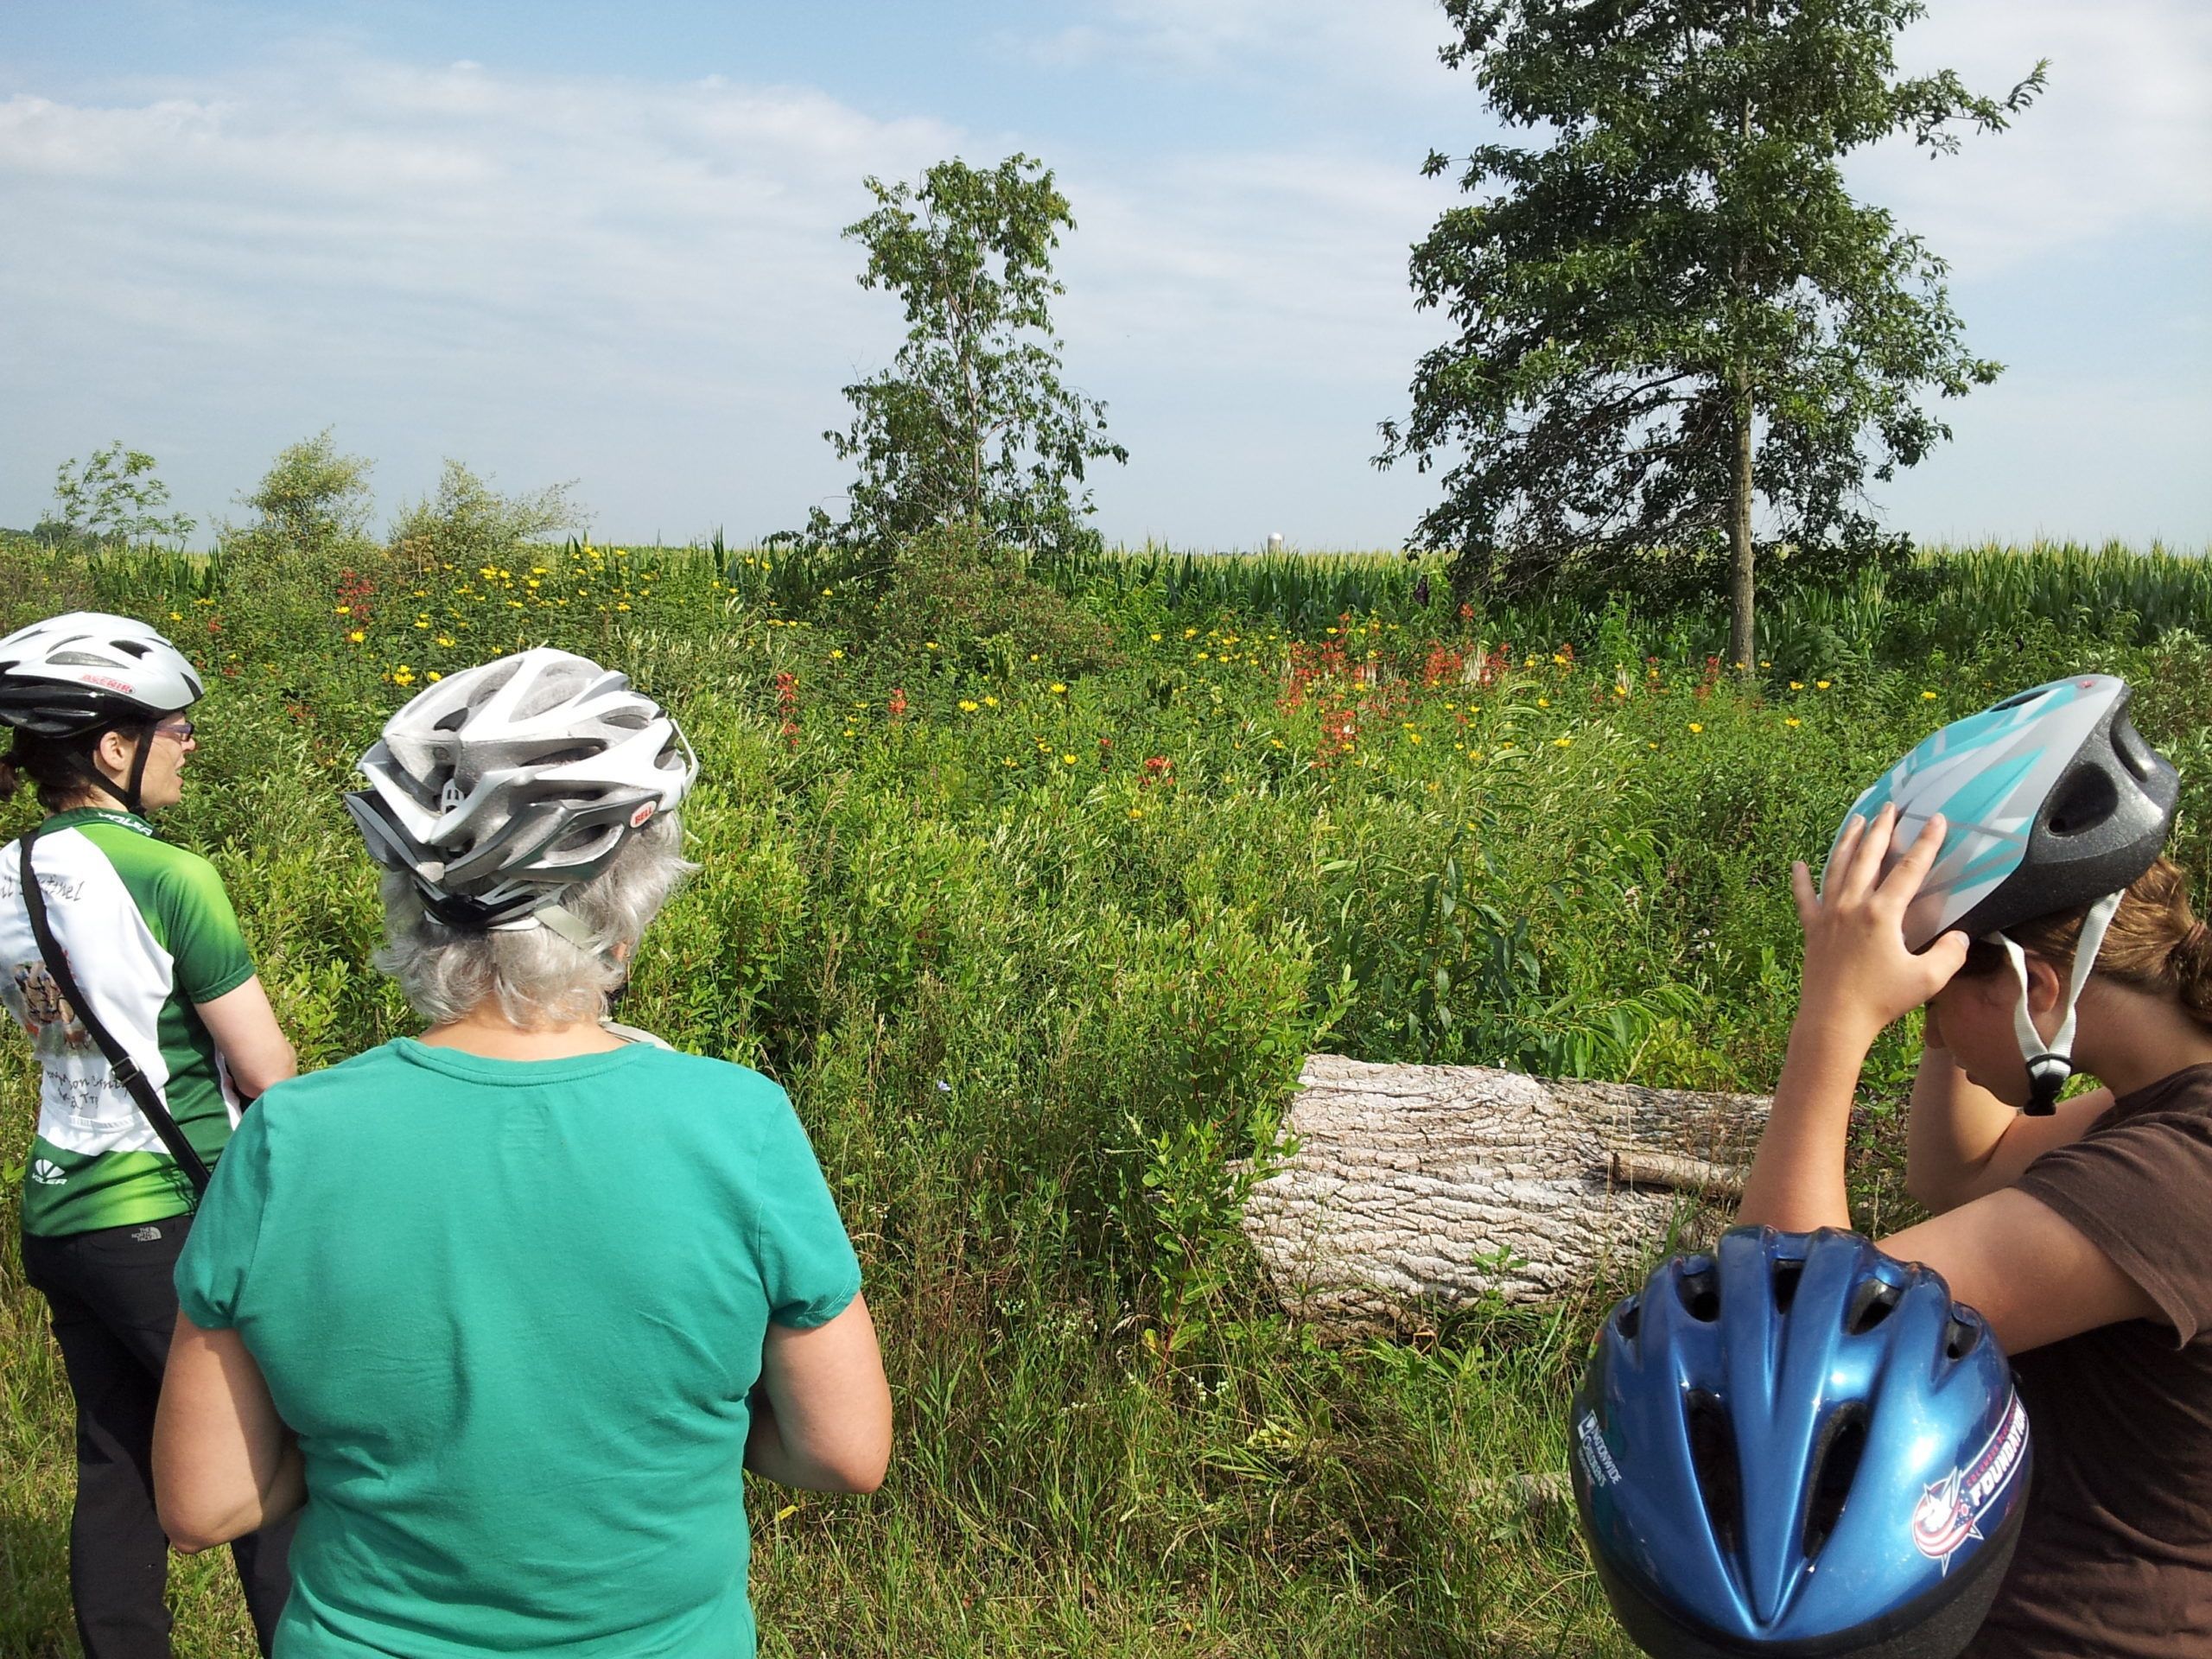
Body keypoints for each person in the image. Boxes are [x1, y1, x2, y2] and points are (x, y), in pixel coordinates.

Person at [152, 646, 892, 1657]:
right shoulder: (739, 1125)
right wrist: (698, 1441)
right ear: (629, 894)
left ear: (411, 894)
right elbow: (845, 1453)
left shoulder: (291, 1139)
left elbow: (203, 1505)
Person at [1735, 673, 2212, 1657]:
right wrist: (1951, 993)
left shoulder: (2171, 1174)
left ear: (2039, 984)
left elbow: (1790, 1343)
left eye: (1938, 989)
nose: (1922, 1009)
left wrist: (1833, 1016)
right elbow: (1965, 1168)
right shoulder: (2162, 1107)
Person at [0, 611, 297, 1657]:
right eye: (174, 729)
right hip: (165, 1215)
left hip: (60, 1211)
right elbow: (267, 1075)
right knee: (267, 1466)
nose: (188, 745)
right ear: (113, 746)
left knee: (116, 1464)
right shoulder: (173, 877)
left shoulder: (5, 874)